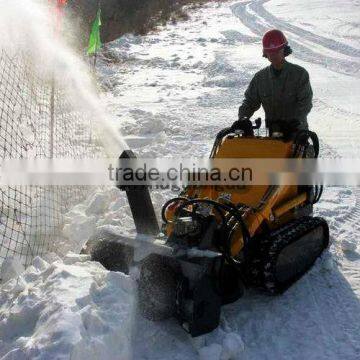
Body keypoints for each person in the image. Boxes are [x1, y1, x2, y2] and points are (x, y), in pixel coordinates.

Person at [235, 29, 313, 138]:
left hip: (297, 135)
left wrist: (294, 122)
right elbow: (250, 102)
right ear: (265, 53)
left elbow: (305, 104)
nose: (273, 55)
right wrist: (243, 118)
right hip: (274, 136)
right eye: (270, 52)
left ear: (284, 50)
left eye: (277, 51)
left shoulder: (299, 74)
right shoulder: (260, 78)